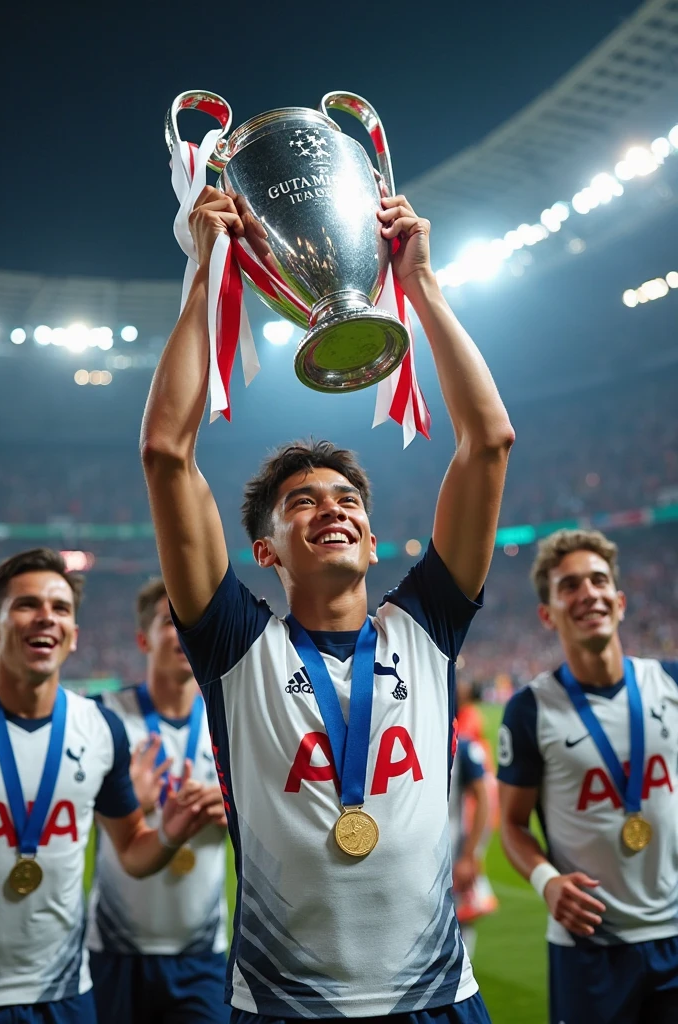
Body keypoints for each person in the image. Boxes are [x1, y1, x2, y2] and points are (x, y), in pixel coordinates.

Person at [141, 184, 514, 1022]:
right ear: (265, 551)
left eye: (349, 499)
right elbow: (167, 452)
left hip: (439, 999)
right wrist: (204, 272)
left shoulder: (424, 625)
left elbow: (487, 442)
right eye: (303, 503)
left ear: (376, 541)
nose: (333, 508)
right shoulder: (236, 646)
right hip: (286, 1006)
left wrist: (423, 287)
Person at [0, 548, 222, 1024]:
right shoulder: (114, 717)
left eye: (60, 608)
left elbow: (134, 849)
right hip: (108, 952)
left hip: (69, 989)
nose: (46, 618)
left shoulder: (98, 728)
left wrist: (174, 829)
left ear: (75, 634)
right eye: (27, 604)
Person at [497, 529, 678, 1024]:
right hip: (589, 945)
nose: (588, 593)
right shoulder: (530, 709)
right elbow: (510, 824)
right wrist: (546, 882)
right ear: (547, 613)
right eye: (569, 586)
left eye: (598, 581)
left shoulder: (669, 683)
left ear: (619, 601)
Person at [87, 577, 230, 1024]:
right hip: (113, 949)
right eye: (170, 622)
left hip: (201, 952)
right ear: (142, 638)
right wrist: (119, 798)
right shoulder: (101, 716)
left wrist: (237, 810)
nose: (182, 632)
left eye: (190, 623)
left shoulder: (230, 720)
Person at [448, 738, 496, 958]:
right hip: (419, 859)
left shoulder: (463, 747)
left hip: (453, 857)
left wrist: (469, 856)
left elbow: (484, 800)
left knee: (461, 936)